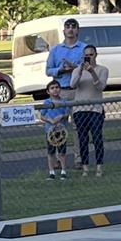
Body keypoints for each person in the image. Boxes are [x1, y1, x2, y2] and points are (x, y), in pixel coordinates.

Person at [46, 17, 85, 166]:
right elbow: (48, 71)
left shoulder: (83, 48)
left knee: (78, 126)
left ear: (77, 30)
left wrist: (74, 67)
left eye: (73, 26)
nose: (70, 29)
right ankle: (57, 159)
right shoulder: (55, 50)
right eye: (67, 26)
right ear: (63, 30)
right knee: (58, 125)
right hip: (60, 92)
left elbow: (87, 66)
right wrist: (61, 69)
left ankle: (79, 158)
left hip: (78, 91)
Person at [70, 45, 109, 177]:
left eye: (91, 55)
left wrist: (92, 72)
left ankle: (99, 167)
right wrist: (81, 71)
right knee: (83, 139)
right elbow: (72, 85)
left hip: (95, 109)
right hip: (80, 109)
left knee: (97, 137)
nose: (89, 57)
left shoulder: (102, 70)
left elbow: (100, 86)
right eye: (86, 55)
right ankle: (85, 167)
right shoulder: (77, 70)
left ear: (96, 55)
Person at [37, 79, 70, 180]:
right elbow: (41, 116)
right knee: (51, 152)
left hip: (61, 132)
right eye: (52, 88)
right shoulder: (47, 102)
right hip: (50, 131)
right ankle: (51, 172)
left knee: (62, 152)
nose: (55, 90)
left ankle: (63, 171)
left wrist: (61, 116)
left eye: (57, 87)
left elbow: (67, 114)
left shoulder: (64, 102)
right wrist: (50, 120)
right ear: (48, 91)